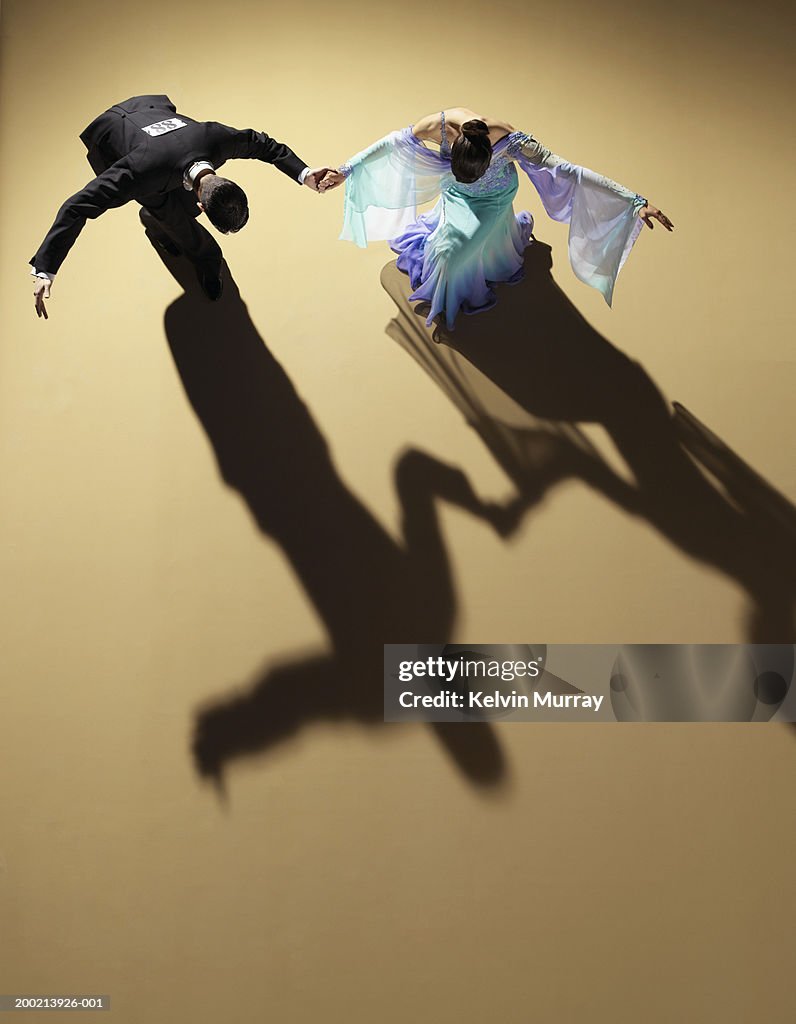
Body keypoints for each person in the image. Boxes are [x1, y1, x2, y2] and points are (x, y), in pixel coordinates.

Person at [320, 107, 673, 328]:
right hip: (457, 193)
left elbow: (569, 170)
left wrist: (633, 200)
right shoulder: (438, 126)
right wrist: (346, 170)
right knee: (447, 250)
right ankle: (448, 282)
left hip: (496, 195)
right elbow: (390, 144)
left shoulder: (514, 141)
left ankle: (462, 282)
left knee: (464, 247)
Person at [30, 94, 335, 317]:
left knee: (174, 212)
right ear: (202, 206)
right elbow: (77, 206)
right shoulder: (138, 173)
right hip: (114, 135)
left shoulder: (215, 139)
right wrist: (46, 270)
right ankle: (177, 236)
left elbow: (263, 143)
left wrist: (305, 174)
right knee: (169, 213)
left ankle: (158, 223)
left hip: (147, 109)